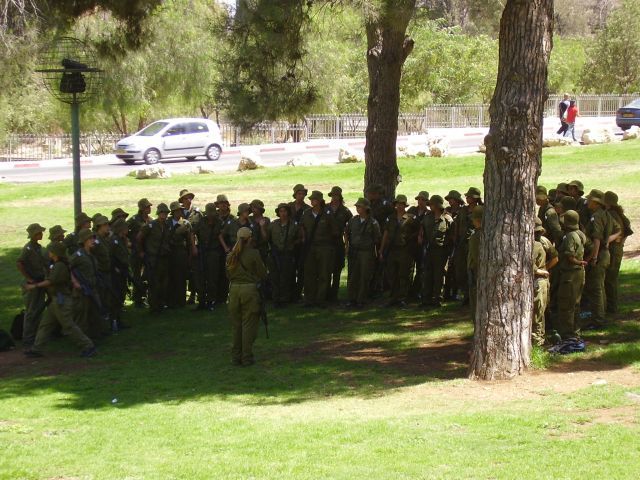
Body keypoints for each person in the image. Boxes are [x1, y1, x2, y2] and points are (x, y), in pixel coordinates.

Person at [24, 242, 96, 358]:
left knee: (68, 326)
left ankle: (88, 346)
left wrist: (34, 286)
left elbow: (50, 281)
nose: (49, 253)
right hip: (56, 300)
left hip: (62, 301)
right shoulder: (58, 264)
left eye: (51, 251)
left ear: (55, 253)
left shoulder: (60, 266)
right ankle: (37, 348)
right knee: (45, 324)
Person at [226, 227, 267, 366]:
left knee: (236, 326)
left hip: (234, 291)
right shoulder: (254, 253)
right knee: (248, 324)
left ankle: (235, 357)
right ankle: (247, 357)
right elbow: (262, 273)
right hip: (249, 290)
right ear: (250, 238)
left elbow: (228, 275)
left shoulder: (230, 255)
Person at [583, 189, 619, 329]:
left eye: (590, 200)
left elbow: (597, 238)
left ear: (595, 203)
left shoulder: (596, 216)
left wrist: (594, 256)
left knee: (596, 288)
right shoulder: (607, 215)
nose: (587, 202)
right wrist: (608, 241)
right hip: (605, 254)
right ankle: (600, 316)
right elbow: (618, 230)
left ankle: (598, 320)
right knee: (600, 287)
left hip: (599, 255)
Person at [301, 191, 340, 307]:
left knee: (324, 274)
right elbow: (302, 226)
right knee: (309, 273)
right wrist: (303, 237)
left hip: (324, 247)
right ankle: (309, 299)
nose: (312, 201)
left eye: (314, 199)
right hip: (310, 247)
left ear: (319, 201)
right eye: (311, 199)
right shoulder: (307, 213)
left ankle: (320, 299)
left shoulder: (327, 213)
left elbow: (335, 230)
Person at [553, 210, 587, 341]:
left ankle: (568, 334)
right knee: (575, 304)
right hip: (578, 273)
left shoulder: (570, 236)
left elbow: (570, 255)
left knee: (566, 304)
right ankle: (575, 331)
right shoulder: (580, 233)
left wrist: (577, 262)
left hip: (570, 275)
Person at [71, 228, 108, 338]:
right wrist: (74, 282)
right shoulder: (78, 255)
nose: (93, 240)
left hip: (93, 287)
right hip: (82, 290)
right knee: (82, 316)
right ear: (84, 240)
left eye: (93, 238)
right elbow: (67, 268)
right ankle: (82, 340)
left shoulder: (90, 254)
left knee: (95, 313)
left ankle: (95, 336)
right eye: (90, 238)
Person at [16, 223, 48, 350]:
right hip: (32, 283)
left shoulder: (38, 247)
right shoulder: (28, 248)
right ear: (34, 235)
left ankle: (34, 336)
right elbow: (19, 263)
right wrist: (29, 279)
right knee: (31, 312)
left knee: (38, 309)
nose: (41, 234)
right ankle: (28, 339)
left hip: (39, 281)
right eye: (39, 233)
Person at [345, 198, 381, 308]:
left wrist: (376, 252)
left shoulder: (373, 222)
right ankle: (352, 299)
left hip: (366, 252)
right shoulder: (353, 220)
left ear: (366, 208)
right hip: (354, 251)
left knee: (364, 276)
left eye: (360, 206)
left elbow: (377, 238)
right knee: (353, 276)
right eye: (357, 206)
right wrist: (347, 246)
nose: (357, 208)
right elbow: (346, 232)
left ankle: (361, 299)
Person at [379, 194, 414, 307]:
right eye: (397, 204)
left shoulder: (410, 218)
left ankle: (402, 298)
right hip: (392, 250)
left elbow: (418, 232)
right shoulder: (391, 218)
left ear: (405, 205)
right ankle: (393, 297)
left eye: (401, 204)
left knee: (403, 275)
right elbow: (386, 233)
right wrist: (381, 249)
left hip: (404, 250)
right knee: (392, 274)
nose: (399, 206)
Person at [138, 203, 172, 314]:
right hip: (153, 258)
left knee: (164, 283)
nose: (164, 215)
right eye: (162, 213)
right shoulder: (151, 225)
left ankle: (161, 305)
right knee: (154, 283)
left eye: (166, 213)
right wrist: (141, 251)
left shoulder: (167, 226)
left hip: (164, 258)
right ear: (158, 213)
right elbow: (139, 237)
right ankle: (154, 306)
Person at [420, 195, 452, 308]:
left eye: (432, 204)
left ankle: (437, 298)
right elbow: (422, 230)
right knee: (427, 274)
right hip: (429, 249)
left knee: (439, 275)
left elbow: (452, 235)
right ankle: (426, 299)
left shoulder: (447, 219)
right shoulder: (427, 217)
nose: (431, 206)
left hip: (441, 251)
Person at [604, 191, 633, 314]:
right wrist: (621, 242)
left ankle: (611, 307)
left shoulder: (611, 214)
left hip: (613, 249)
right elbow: (628, 230)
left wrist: (616, 240)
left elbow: (621, 230)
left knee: (610, 279)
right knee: (612, 278)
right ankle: (612, 305)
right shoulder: (619, 214)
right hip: (618, 248)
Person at [452, 187, 482, 305]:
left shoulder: (480, 210)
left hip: (473, 243)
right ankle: (466, 294)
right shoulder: (463, 210)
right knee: (460, 270)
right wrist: (456, 236)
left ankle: (474, 296)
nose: (467, 198)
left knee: (473, 269)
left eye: (469, 196)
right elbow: (457, 224)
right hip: (461, 243)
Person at [268, 203, 301, 307]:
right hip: (274, 255)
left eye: (285, 211)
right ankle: (275, 299)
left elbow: (300, 237)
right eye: (281, 211)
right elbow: (266, 239)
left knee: (285, 278)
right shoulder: (273, 225)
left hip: (287, 254)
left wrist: (293, 244)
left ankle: (284, 300)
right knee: (274, 278)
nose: (283, 213)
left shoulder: (294, 225)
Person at [193, 203, 224, 311]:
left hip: (213, 253)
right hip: (202, 252)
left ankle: (211, 301)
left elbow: (221, 236)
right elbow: (192, 233)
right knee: (200, 277)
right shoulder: (201, 222)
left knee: (212, 278)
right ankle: (201, 301)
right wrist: (194, 247)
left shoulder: (219, 222)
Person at [327, 186, 353, 302]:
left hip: (338, 242)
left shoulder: (345, 211)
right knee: (326, 269)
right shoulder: (325, 208)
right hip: (326, 242)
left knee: (337, 269)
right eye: (333, 195)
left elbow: (350, 227)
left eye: (337, 195)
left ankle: (334, 295)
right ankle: (325, 294)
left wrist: (347, 244)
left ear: (340, 196)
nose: (335, 197)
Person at [167, 201, 194, 309]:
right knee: (170, 277)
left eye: (180, 210)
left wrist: (191, 252)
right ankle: (171, 300)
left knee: (181, 277)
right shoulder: (167, 222)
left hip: (181, 252)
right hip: (169, 252)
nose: (179, 212)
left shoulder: (186, 223)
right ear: (173, 212)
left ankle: (181, 301)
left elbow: (190, 239)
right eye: (177, 211)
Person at [127, 198, 153, 308]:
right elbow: (124, 231)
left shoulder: (151, 220)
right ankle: (137, 299)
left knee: (146, 275)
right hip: (136, 252)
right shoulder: (133, 220)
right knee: (137, 275)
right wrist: (128, 243)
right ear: (142, 208)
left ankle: (144, 296)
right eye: (147, 207)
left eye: (149, 206)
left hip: (147, 252)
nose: (149, 208)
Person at [178, 189, 201, 304]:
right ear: (181, 200)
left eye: (190, 197)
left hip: (194, 245)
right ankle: (180, 296)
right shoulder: (178, 212)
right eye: (186, 198)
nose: (188, 200)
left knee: (194, 270)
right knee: (182, 270)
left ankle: (193, 294)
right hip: (181, 246)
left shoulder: (197, 212)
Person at [91, 215, 113, 330]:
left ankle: (105, 325)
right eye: (105, 225)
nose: (108, 227)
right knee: (101, 300)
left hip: (106, 272)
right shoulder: (95, 240)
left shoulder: (105, 239)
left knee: (106, 299)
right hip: (99, 274)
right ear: (99, 227)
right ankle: (99, 327)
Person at [289, 184, 310, 301]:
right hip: (290, 241)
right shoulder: (289, 206)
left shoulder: (307, 208)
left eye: (303, 194)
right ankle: (291, 292)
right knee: (290, 269)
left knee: (301, 268)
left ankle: (298, 293)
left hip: (302, 242)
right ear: (295, 194)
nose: (301, 196)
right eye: (299, 194)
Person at [407, 191, 430, 300]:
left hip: (421, 244)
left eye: (423, 200)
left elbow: (425, 226)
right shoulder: (412, 210)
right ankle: (407, 292)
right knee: (409, 268)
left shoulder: (428, 213)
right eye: (419, 199)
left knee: (421, 269)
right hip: (411, 243)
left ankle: (417, 291)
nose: (420, 202)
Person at [532, 218, 552, 346]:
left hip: (538, 281)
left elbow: (529, 264)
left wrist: (541, 271)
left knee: (537, 311)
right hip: (543, 279)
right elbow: (555, 257)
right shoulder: (544, 241)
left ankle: (537, 340)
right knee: (541, 310)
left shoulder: (536, 244)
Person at [109, 218, 130, 328]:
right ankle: (114, 321)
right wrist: (115, 269)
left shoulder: (122, 239)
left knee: (121, 296)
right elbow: (111, 257)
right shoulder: (114, 240)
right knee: (116, 298)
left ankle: (118, 320)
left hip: (123, 271)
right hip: (117, 273)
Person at [443, 190, 464, 300]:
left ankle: (455, 292)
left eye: (452, 199)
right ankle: (446, 293)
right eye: (449, 199)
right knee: (447, 269)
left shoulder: (462, 211)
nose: (450, 201)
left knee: (456, 269)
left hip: (458, 243)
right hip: (447, 243)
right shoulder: (446, 211)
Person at [215, 194, 234, 303]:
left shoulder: (232, 218)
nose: (223, 205)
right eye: (220, 203)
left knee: (228, 273)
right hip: (216, 248)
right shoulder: (214, 217)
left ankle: (226, 295)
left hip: (228, 248)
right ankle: (218, 296)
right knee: (217, 273)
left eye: (224, 203)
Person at [467, 206, 483, 325]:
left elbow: (476, 257)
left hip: (476, 271)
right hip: (480, 271)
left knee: (475, 300)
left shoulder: (476, 237)